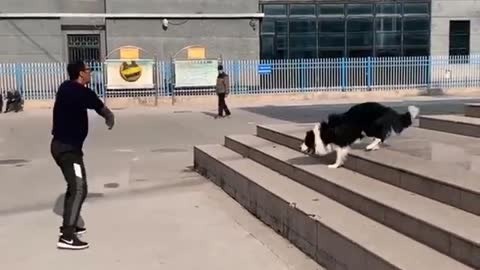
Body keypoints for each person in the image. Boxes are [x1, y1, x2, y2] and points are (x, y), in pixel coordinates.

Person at [51, 61, 115, 250]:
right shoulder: (73, 90)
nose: (90, 73)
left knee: (76, 186)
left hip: (67, 148)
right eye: (88, 71)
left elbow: (92, 101)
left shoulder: (68, 89)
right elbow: (95, 102)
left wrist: (106, 113)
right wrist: (108, 115)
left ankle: (73, 226)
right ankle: (67, 236)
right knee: (79, 187)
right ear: (80, 74)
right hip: (66, 149)